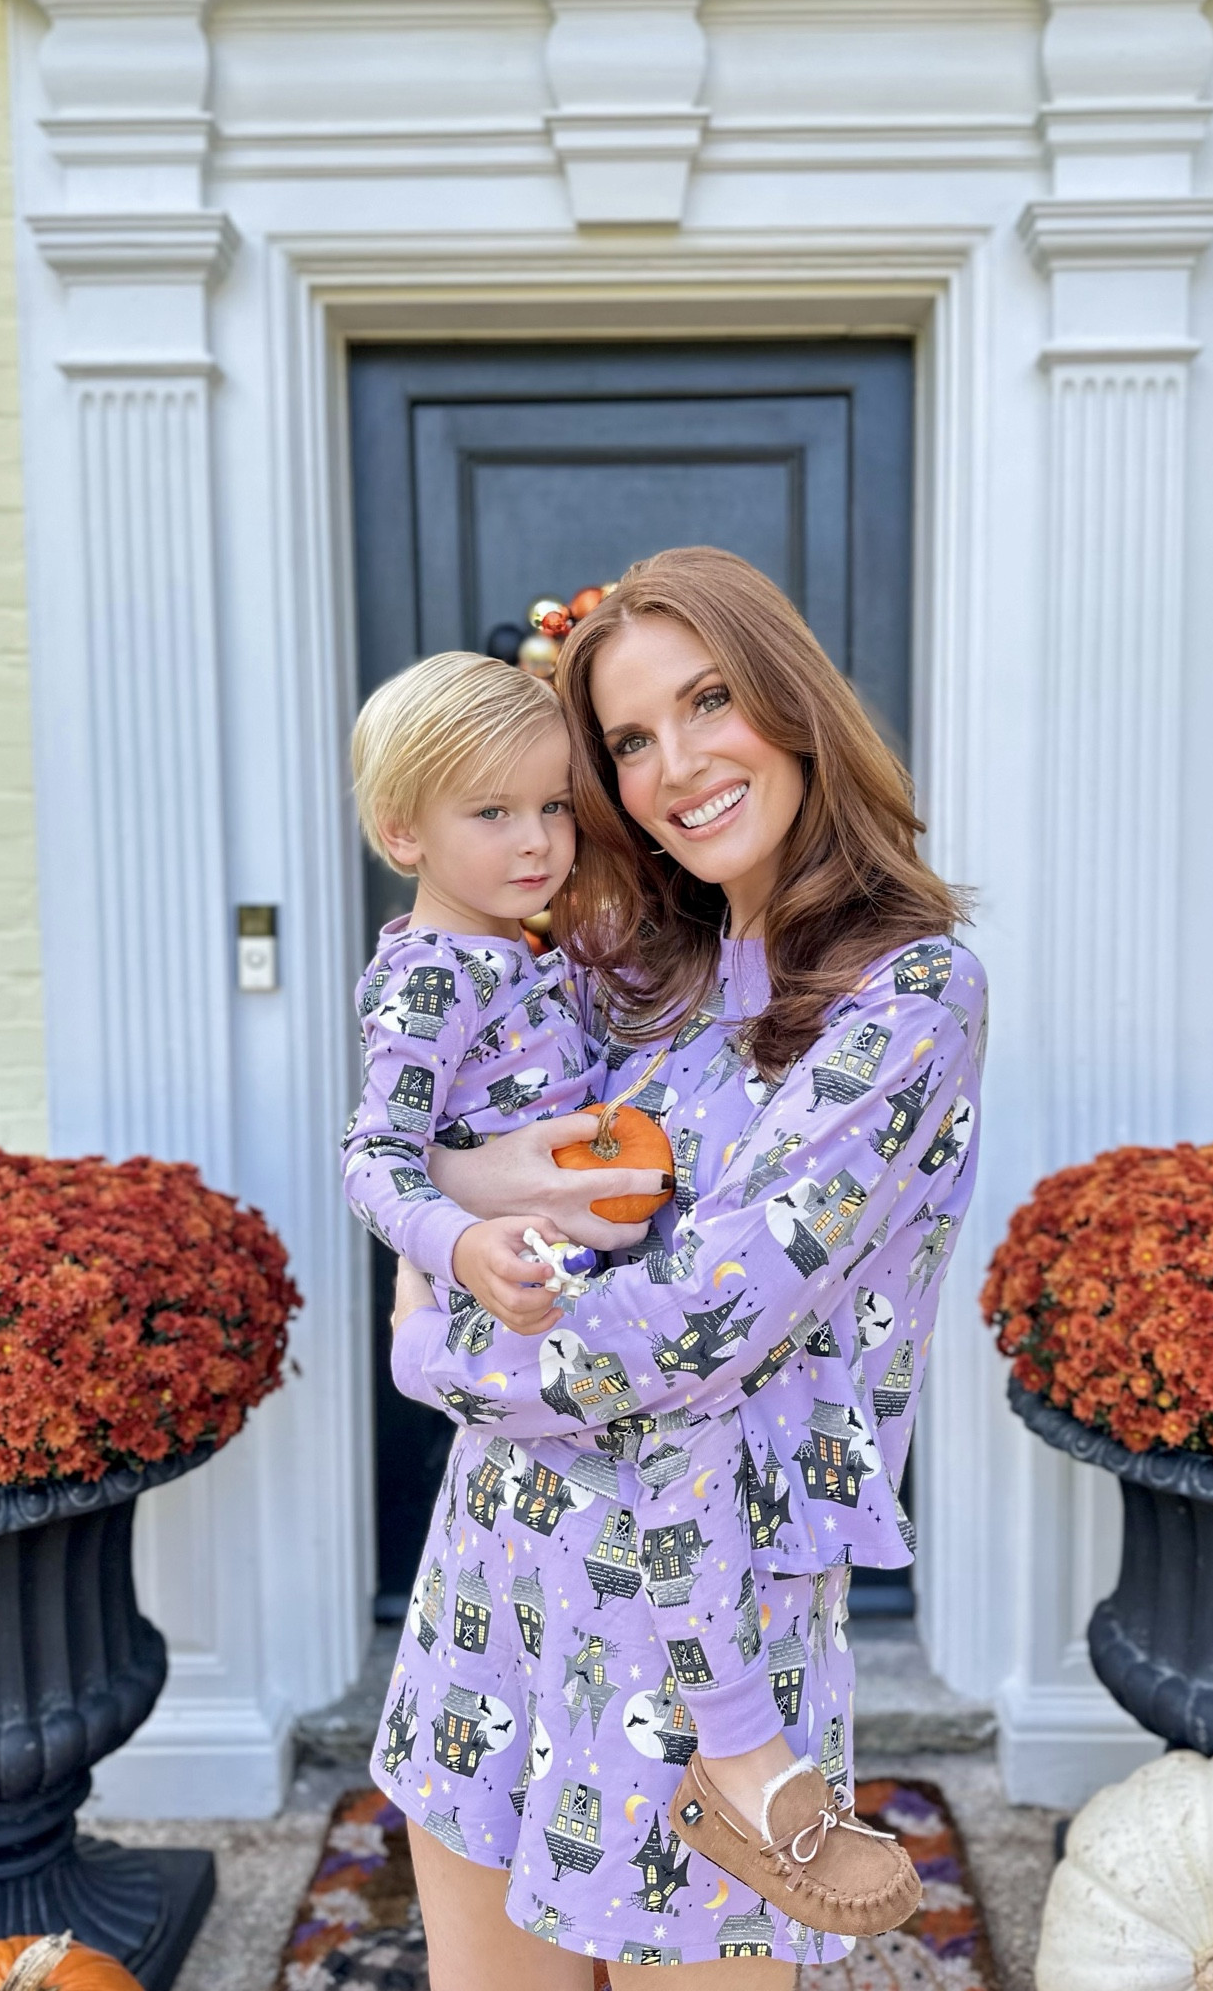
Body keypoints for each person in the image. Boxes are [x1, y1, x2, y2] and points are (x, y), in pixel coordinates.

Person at [384, 548, 985, 1987]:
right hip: (496, 1568)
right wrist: (446, 1212)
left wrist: (427, 1350)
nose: (678, 765)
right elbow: (457, 1152)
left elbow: (687, 1329)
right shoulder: (637, 980)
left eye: (709, 701)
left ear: (788, 701)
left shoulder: (909, 993)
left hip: (699, 1637)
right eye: (631, 741)